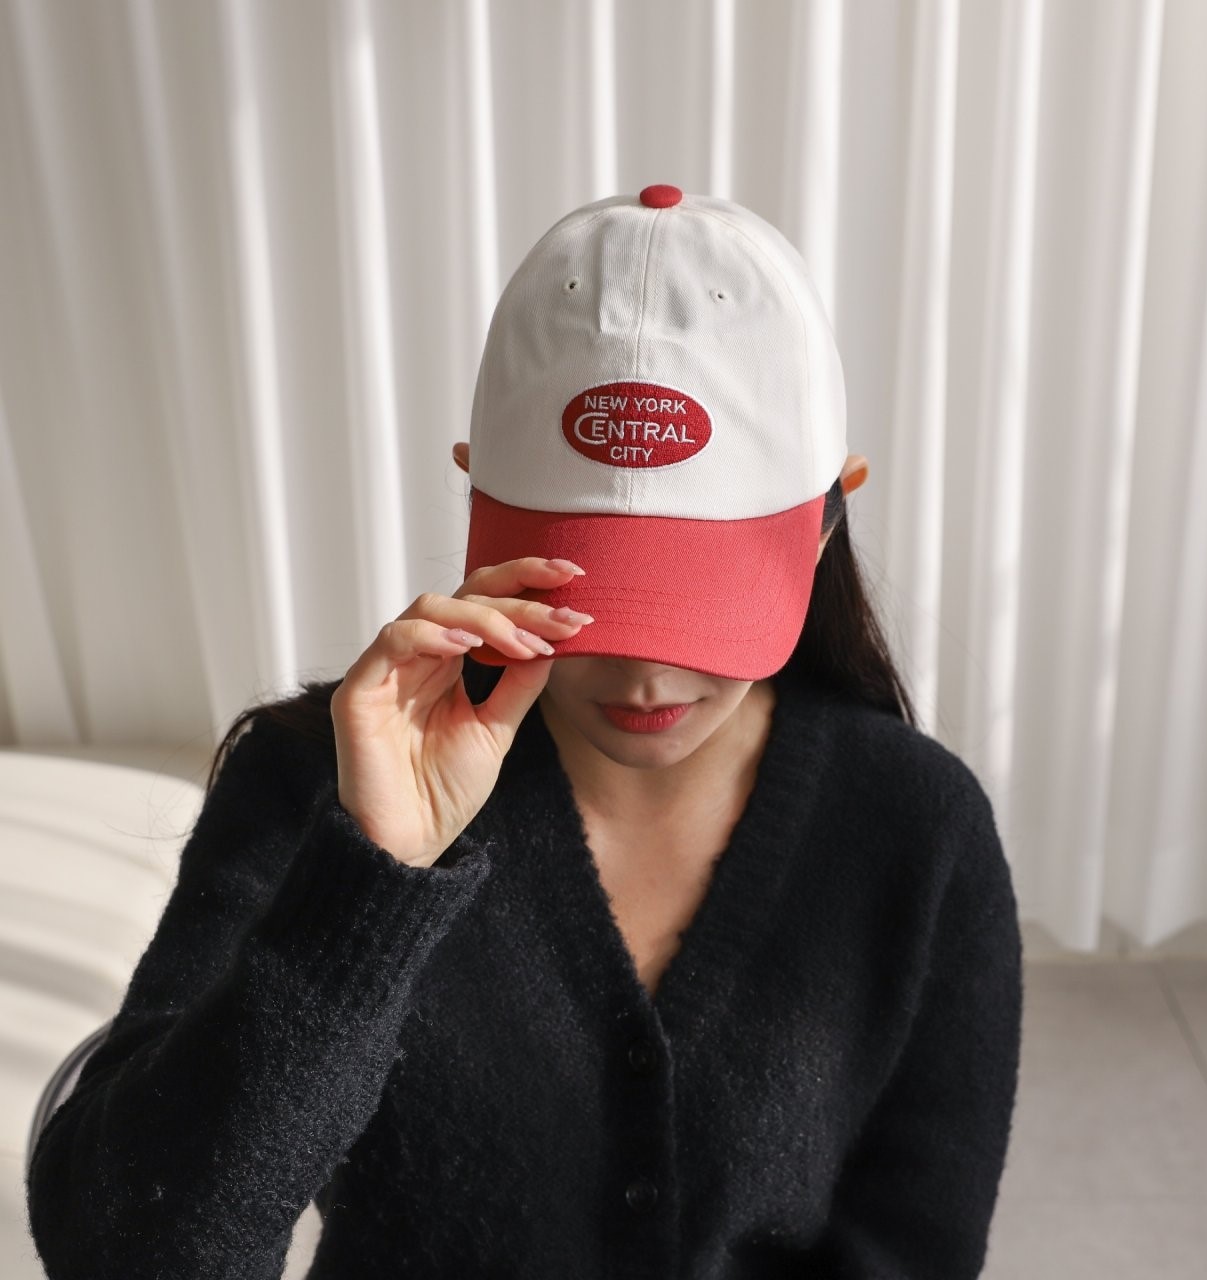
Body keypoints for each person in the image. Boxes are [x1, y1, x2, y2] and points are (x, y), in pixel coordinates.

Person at [25, 185, 1023, 1279]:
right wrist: (368, 885)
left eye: (700, 602)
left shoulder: (919, 829)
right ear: (476, 497)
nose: (646, 673)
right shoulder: (317, 784)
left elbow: (911, 1251)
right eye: (592, 595)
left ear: (829, 516)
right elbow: (128, 1257)